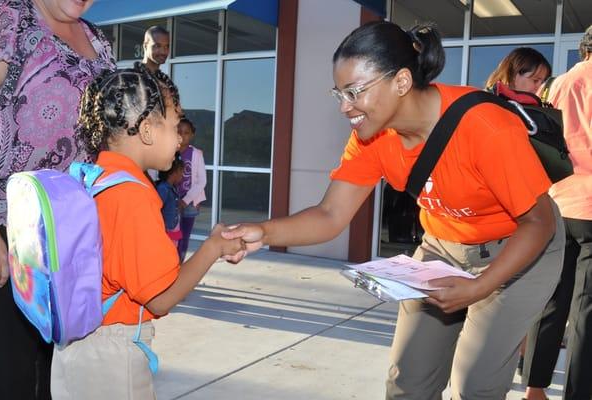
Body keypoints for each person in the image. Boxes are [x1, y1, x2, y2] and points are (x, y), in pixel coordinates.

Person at [222, 21, 566, 399]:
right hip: (444, 248)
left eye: (354, 92)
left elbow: (539, 222)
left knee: (475, 387)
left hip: (521, 249)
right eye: (339, 92)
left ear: (401, 82)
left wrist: (480, 287)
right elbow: (330, 215)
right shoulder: (372, 137)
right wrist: (264, 232)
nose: (344, 107)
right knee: (408, 384)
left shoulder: (485, 126)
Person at [49, 65, 243, 400]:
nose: (180, 137)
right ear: (149, 131)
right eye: (174, 124)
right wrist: (212, 248)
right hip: (110, 359)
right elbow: (161, 297)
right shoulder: (132, 196)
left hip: (75, 351)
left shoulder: (94, 178)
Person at [0, 0, 115, 398]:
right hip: (9, 232)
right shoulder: (8, 15)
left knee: (59, 381)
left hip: (73, 240)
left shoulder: (97, 38)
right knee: (10, 378)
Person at [523, 25, 592, 400]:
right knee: (586, 307)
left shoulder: (556, 85)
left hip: (558, 201)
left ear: (583, 50)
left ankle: (534, 388)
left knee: (552, 297)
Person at [484, 46, 552, 376]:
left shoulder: (537, 111)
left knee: (520, 298)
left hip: (527, 212)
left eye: (542, 80)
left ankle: (516, 359)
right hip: (495, 217)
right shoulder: (491, 105)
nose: (538, 86)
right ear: (513, 72)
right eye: (533, 78)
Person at [176, 117, 207, 262]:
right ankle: (169, 266)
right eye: (179, 131)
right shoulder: (168, 151)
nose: (182, 135)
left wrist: (185, 200)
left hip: (189, 202)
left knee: (184, 236)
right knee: (170, 236)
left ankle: (179, 266)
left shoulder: (196, 154)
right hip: (171, 201)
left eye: (186, 132)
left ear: (192, 135)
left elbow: (202, 181)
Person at [485, 47, 551, 93]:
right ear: (513, 76)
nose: (541, 87)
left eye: (543, 83)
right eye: (535, 81)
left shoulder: (542, 109)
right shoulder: (489, 105)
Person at [156, 155, 185, 247]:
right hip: (167, 229)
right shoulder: (163, 189)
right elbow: (157, 209)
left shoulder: (173, 188)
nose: (182, 175)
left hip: (173, 227)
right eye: (181, 172)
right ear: (173, 173)